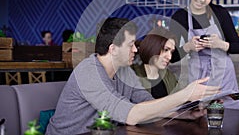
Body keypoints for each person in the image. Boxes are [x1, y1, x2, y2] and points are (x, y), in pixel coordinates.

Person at [46, 17, 219, 135]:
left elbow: (145, 102)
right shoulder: (88, 72)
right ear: (112, 49)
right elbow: (131, 116)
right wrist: (185, 94)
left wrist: (182, 114)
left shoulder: (124, 70)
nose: (136, 49)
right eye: (131, 45)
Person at [170, 0, 239, 109]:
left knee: (230, 114)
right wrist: (188, 47)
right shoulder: (180, 17)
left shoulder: (220, 13)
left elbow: (238, 47)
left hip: (223, 73)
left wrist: (220, 44)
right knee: (198, 114)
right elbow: (171, 57)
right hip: (197, 74)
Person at [131, 27, 181, 98]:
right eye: (166, 50)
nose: (169, 57)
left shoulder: (168, 76)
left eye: (171, 52)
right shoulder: (132, 76)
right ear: (153, 47)